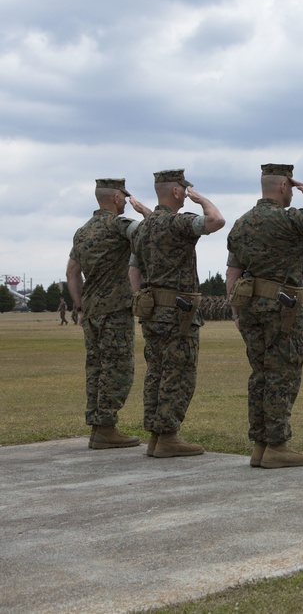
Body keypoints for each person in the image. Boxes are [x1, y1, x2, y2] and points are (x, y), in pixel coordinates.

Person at [227, 163, 303, 469]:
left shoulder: (241, 224)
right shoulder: (291, 219)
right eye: (293, 188)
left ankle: (260, 445)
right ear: (285, 187)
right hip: (282, 311)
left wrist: (235, 310)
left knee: (260, 375)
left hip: (249, 310)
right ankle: (278, 446)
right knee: (282, 375)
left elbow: (232, 272)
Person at [129, 169, 224, 458]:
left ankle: (157, 436)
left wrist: (141, 297)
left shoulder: (143, 227)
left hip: (152, 310)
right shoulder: (177, 223)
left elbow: (133, 269)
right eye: (184, 189)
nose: (186, 193)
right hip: (178, 312)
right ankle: (169, 436)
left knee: (156, 371)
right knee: (179, 372)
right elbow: (216, 221)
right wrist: (201, 199)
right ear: (176, 192)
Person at [67, 178, 150, 449]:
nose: (126, 202)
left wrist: (79, 307)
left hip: (91, 310)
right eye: (124, 198)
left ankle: (97, 426)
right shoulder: (119, 225)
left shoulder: (82, 231)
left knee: (96, 367)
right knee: (118, 368)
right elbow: (153, 233)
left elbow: (72, 271)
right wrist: (145, 212)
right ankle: (106, 428)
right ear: (116, 198)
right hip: (115, 309)